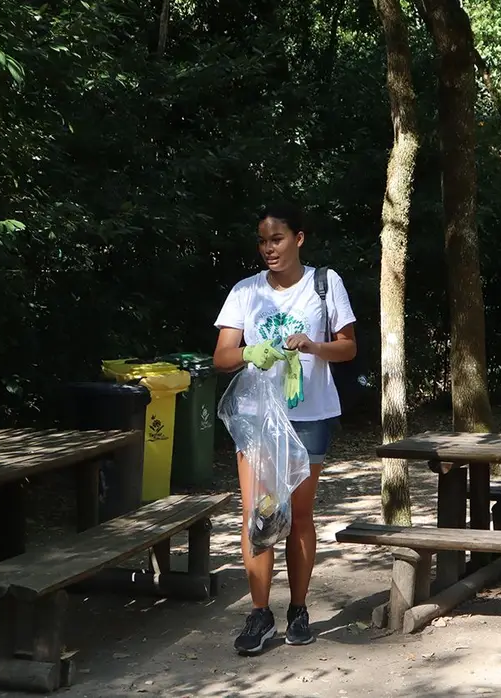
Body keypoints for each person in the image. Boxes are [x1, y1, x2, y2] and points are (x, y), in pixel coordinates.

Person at [212, 203, 357, 656]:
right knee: (260, 513)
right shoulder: (245, 291)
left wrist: (312, 346)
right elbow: (221, 357)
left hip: (310, 414)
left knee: (298, 516)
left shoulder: (325, 283)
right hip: (257, 417)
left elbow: (349, 348)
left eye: (276, 238)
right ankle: (259, 614)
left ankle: (298, 608)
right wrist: (251, 352)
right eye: (262, 241)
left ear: (299, 238)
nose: (268, 248)